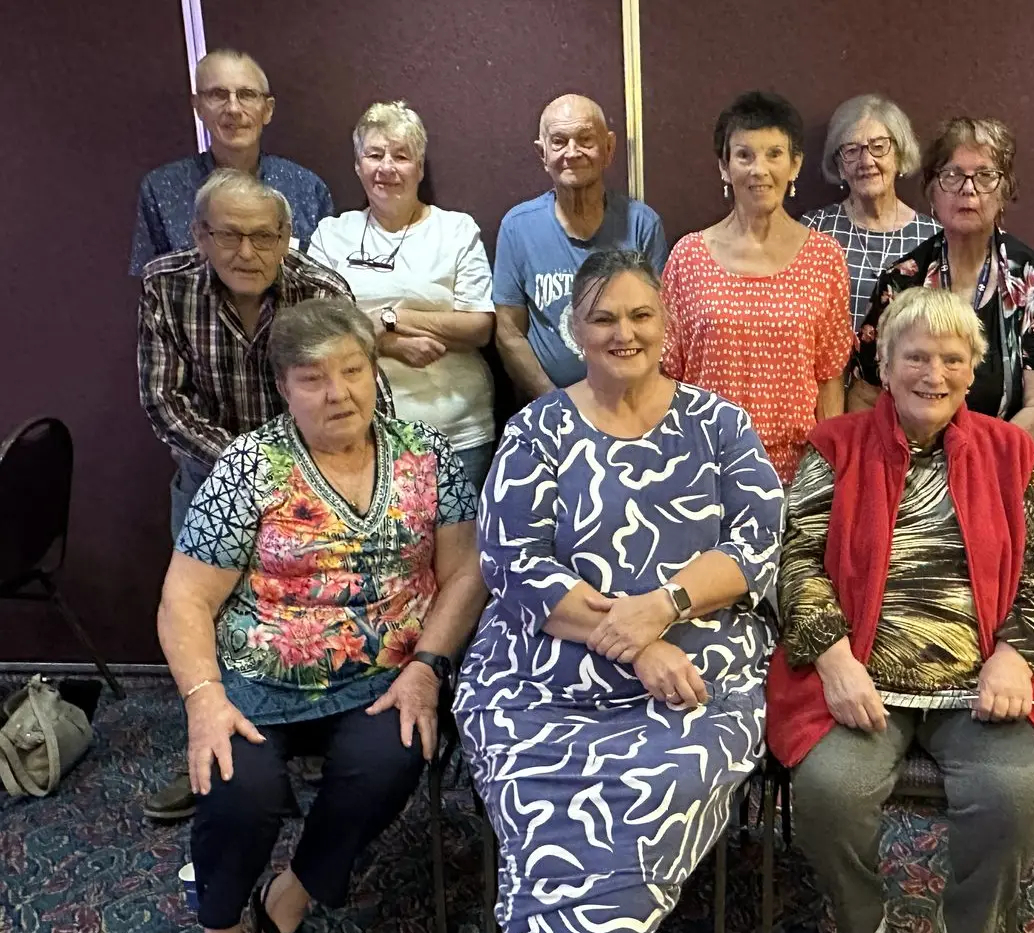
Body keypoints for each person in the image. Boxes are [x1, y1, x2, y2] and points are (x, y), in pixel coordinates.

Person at [455, 250, 783, 933]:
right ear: (575, 329)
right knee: (535, 791)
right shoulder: (536, 430)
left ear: (668, 323)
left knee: (667, 782)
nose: (622, 332)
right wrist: (636, 648)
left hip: (697, 668)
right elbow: (511, 561)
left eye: (640, 314)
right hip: (539, 673)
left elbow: (757, 542)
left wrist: (662, 610)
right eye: (602, 318)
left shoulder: (720, 424)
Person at [157, 298, 485, 933]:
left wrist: (426, 668)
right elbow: (185, 598)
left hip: (388, 675)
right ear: (284, 387)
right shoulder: (248, 469)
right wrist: (203, 699)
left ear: (374, 372)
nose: (339, 393)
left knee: (392, 758)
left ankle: (294, 891)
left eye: (353, 370)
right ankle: (223, 918)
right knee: (235, 789)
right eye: (313, 377)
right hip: (259, 678)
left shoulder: (428, 455)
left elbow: (465, 573)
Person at [768, 287, 1034, 933]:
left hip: (981, 678)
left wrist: (1016, 656)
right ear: (884, 365)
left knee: (1014, 796)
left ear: (973, 368)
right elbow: (796, 560)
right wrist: (836, 661)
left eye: (953, 359)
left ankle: (974, 923)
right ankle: (861, 918)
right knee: (829, 793)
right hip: (862, 676)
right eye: (917, 356)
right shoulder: (835, 445)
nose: (934, 374)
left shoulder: (1010, 452)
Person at [137, 169, 392, 822]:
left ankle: (300, 745)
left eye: (263, 236)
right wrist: (250, 470)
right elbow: (163, 399)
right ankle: (217, 749)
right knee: (208, 623)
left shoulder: (319, 286)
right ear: (200, 234)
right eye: (229, 234)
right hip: (208, 478)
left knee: (307, 616)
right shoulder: (167, 286)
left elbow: (364, 389)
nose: (246, 252)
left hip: (318, 489)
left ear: (286, 236)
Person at [849, 118, 1034, 511]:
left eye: (985, 176)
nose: (968, 189)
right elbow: (866, 396)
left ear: (1005, 191)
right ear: (932, 191)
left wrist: (976, 468)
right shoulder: (901, 282)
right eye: (953, 175)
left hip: (1007, 479)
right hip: (911, 484)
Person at [662, 90, 852, 484]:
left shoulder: (824, 258)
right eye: (744, 155)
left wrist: (830, 472)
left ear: (795, 164)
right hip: (702, 470)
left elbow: (829, 379)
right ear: (724, 166)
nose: (759, 169)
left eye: (774, 154)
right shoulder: (687, 257)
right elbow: (668, 375)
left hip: (797, 474)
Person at [308, 101, 497, 491]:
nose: (387, 168)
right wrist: (390, 345)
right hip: (361, 432)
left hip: (459, 431)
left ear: (420, 168)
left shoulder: (457, 230)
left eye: (401, 156)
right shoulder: (331, 235)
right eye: (374, 155)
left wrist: (392, 318)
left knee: (460, 550)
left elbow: (479, 326)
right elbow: (317, 332)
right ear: (358, 165)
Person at [492, 94, 669, 400]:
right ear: (542, 153)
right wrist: (557, 404)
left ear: (609, 148)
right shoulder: (517, 227)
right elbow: (509, 334)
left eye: (585, 140)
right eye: (559, 141)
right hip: (547, 407)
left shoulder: (642, 224)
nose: (572, 153)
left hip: (631, 403)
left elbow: (658, 326)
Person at [131, 49, 332, 274]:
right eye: (218, 94)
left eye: (247, 94)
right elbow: (151, 284)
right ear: (198, 106)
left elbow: (325, 282)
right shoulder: (161, 189)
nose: (234, 108)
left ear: (268, 110)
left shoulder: (307, 188)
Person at [800, 94, 940, 330]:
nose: (866, 160)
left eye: (878, 147)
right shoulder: (815, 230)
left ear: (899, 154)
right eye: (852, 150)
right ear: (840, 166)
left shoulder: (932, 237)